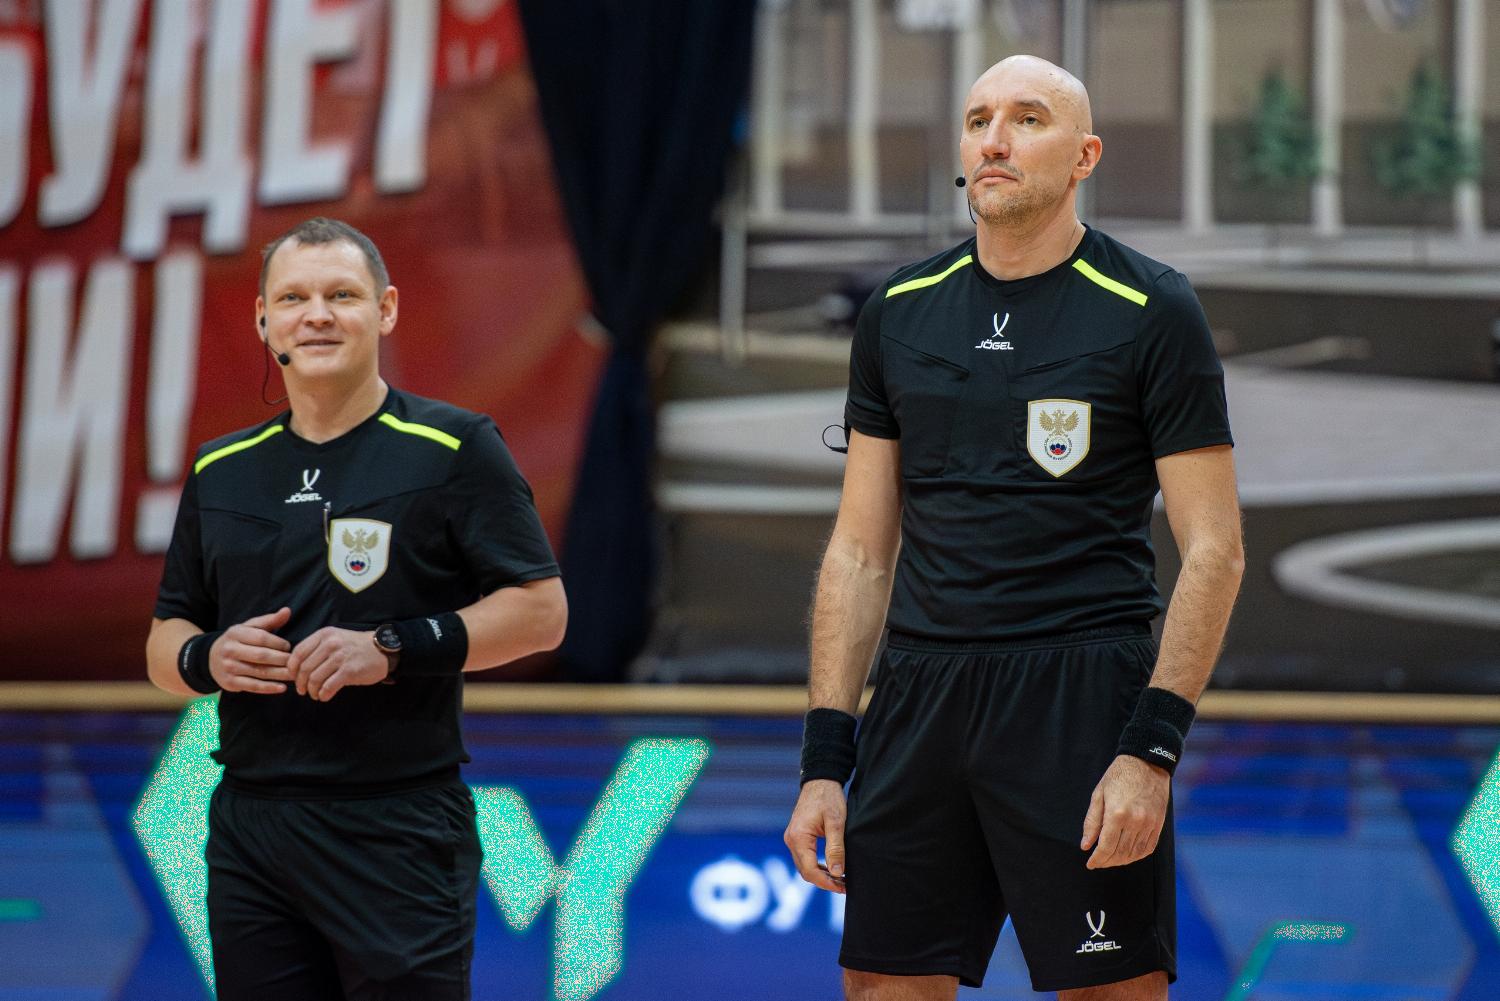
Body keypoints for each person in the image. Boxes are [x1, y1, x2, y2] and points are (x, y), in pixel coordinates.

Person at [784, 56, 1244, 1000]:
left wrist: (1151, 749)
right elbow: (860, 553)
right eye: (978, 120)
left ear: (1085, 156)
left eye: (1028, 119)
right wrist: (825, 760)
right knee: (881, 986)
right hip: (919, 695)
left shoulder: (1152, 308)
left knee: (1112, 992)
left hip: (1081, 696)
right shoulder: (898, 312)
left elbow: (1216, 551)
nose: (994, 140)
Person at [145, 216, 567, 1000]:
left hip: (398, 824)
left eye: (341, 295)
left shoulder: (455, 446)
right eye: (293, 298)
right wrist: (207, 656)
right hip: (251, 827)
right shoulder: (220, 467)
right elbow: (166, 636)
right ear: (263, 320)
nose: (317, 315)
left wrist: (391, 646)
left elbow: (542, 611)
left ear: (386, 309)